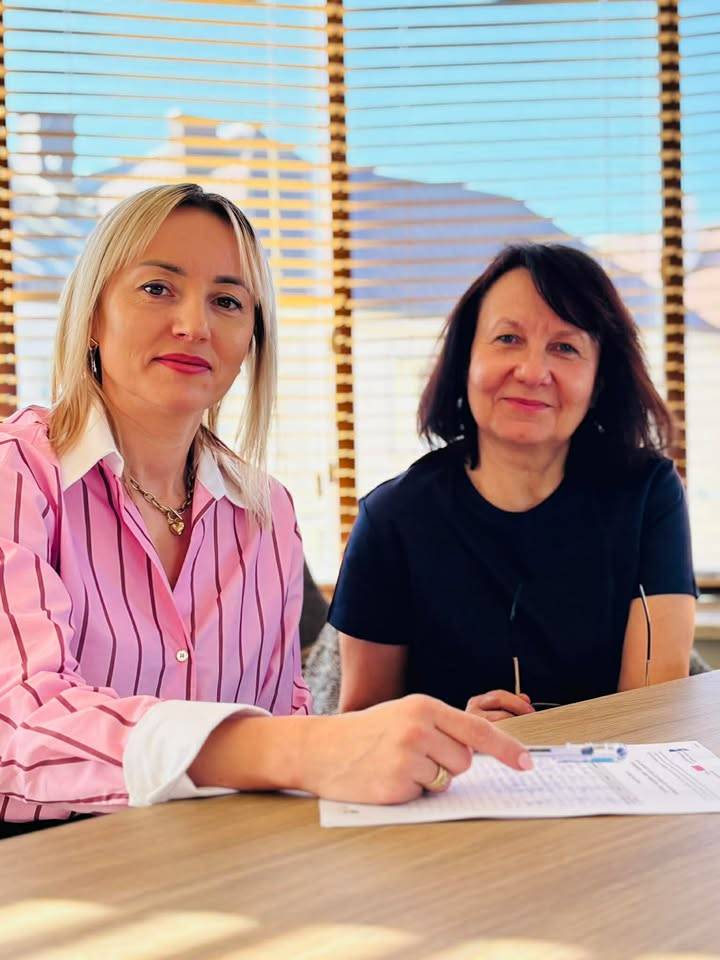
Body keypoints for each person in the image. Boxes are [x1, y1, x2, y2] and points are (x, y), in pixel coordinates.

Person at [0, 184, 531, 838]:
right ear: (91, 314)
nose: (194, 325)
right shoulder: (16, 475)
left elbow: (288, 727)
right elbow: (16, 722)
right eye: (157, 288)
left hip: (228, 859)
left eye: (227, 301)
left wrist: (428, 746)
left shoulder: (266, 512)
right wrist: (296, 750)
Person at [331, 244, 697, 719]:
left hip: (610, 765)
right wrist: (459, 736)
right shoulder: (391, 519)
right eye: (508, 338)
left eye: (565, 347)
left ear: (599, 381)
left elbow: (652, 716)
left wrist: (538, 742)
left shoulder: (648, 495)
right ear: (465, 360)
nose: (531, 372)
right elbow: (361, 730)